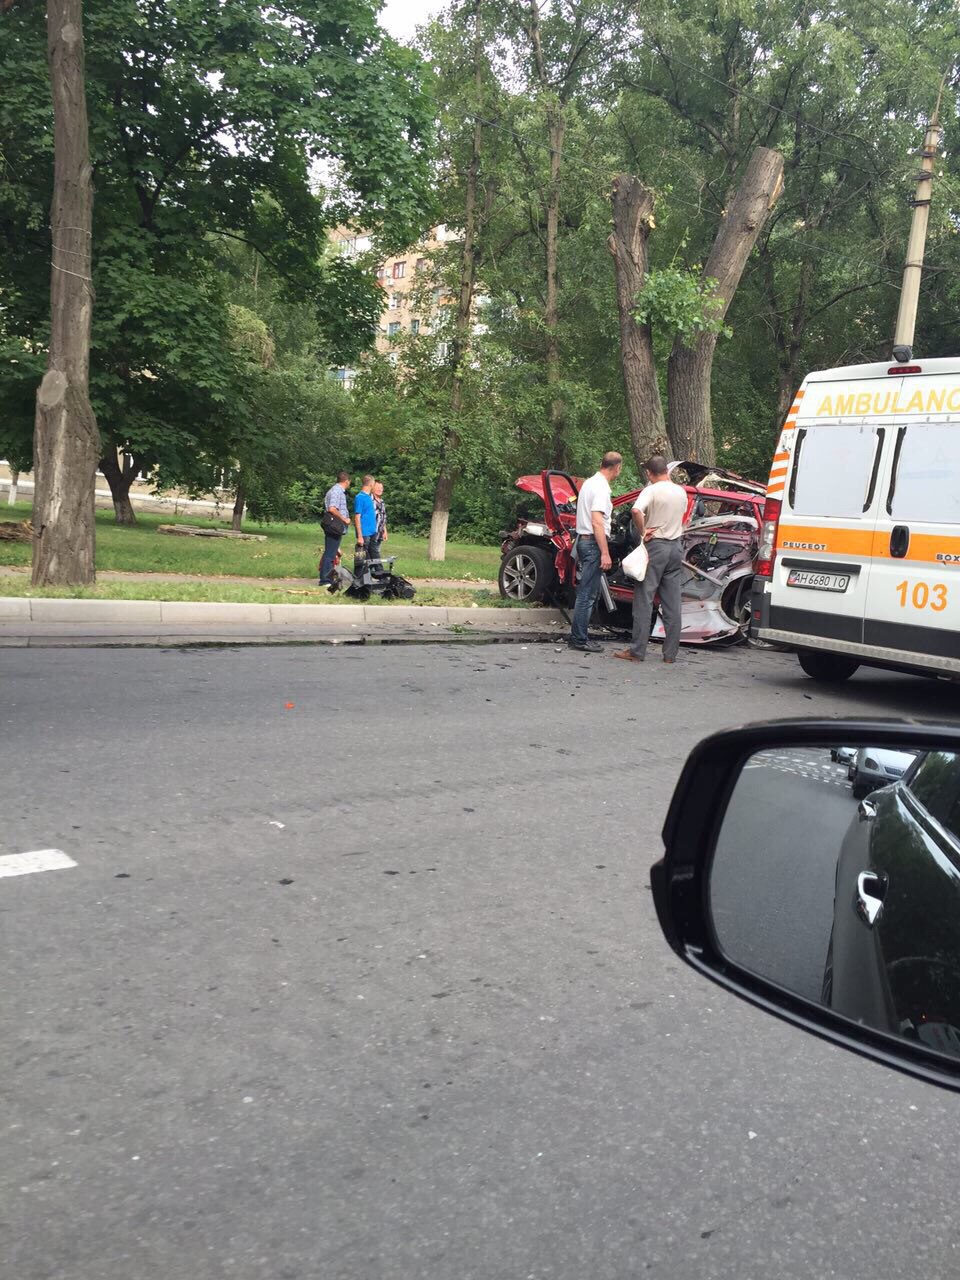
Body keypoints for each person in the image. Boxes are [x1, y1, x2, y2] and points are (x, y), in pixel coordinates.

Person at [614, 455, 688, 665]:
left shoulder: (651, 490)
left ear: (649, 473)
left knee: (644, 600)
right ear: (667, 470)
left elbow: (636, 510)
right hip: (676, 547)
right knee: (672, 603)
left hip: (656, 547)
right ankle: (670, 654)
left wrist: (643, 530)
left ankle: (638, 651)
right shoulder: (680, 491)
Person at [568, 451, 623, 653]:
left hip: (584, 540)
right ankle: (579, 639)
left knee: (586, 592)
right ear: (617, 467)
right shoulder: (601, 488)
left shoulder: (589, 483)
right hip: (592, 543)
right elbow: (597, 521)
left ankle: (578, 636)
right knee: (587, 594)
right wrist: (605, 552)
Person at [319, 471, 351, 587]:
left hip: (333, 525)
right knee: (330, 553)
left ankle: (329, 578)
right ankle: (325, 580)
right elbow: (332, 509)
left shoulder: (333, 490)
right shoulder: (337, 491)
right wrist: (344, 519)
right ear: (347, 481)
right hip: (334, 525)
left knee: (331, 552)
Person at [353, 475, 378, 566]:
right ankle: (360, 576)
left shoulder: (369, 497)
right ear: (371, 484)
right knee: (362, 557)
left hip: (372, 531)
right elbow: (357, 517)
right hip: (364, 533)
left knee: (375, 555)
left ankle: (380, 574)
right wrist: (360, 536)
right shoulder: (360, 497)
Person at [368, 480, 388, 568]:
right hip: (372, 531)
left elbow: (383, 518)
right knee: (373, 553)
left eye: (381, 488)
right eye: (378, 488)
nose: (380, 490)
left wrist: (385, 531)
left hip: (379, 532)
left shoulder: (382, 502)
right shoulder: (369, 500)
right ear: (372, 488)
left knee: (375, 552)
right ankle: (379, 572)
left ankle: (371, 573)